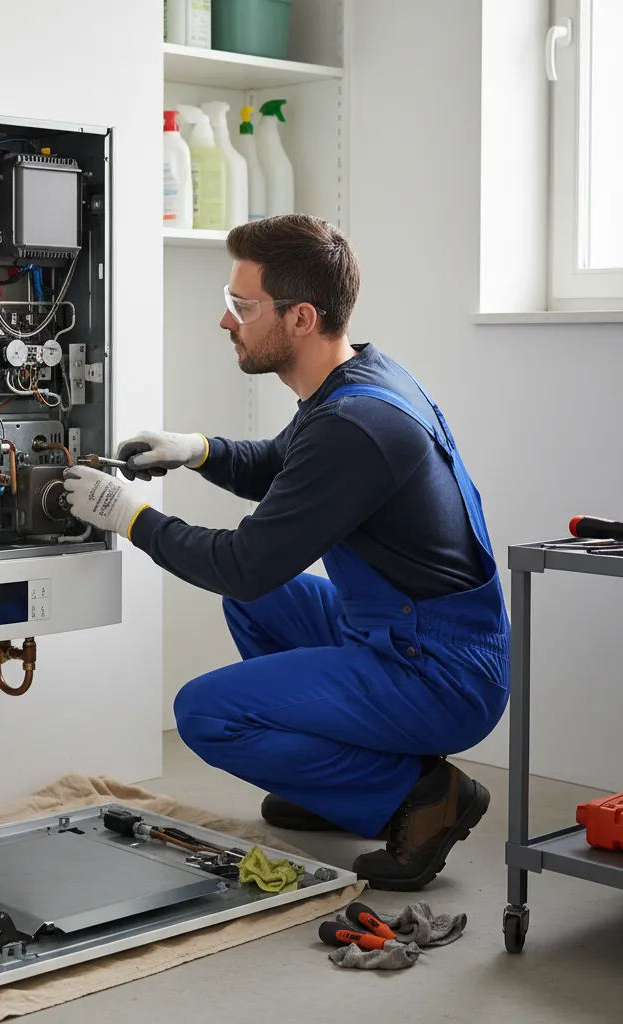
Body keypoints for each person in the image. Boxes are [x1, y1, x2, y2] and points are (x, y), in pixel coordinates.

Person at [62, 214, 509, 891]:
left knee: (205, 713)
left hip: (440, 671)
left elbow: (245, 562)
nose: (225, 321)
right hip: (403, 626)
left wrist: (127, 516)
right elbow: (283, 463)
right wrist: (196, 449)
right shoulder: (359, 376)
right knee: (258, 605)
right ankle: (330, 772)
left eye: (242, 307)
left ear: (300, 318)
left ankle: (421, 794)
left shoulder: (357, 426)